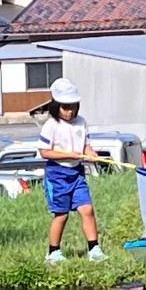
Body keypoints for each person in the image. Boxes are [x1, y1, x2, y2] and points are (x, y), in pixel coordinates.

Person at [38, 78, 104, 264]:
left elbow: (86, 146)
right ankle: (53, 252)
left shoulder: (81, 123)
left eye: (73, 106)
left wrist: (91, 154)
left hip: (77, 173)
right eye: (66, 107)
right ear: (56, 106)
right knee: (62, 214)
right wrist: (68, 155)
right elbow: (44, 152)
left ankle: (94, 249)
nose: (70, 111)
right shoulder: (51, 126)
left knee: (87, 209)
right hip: (57, 175)